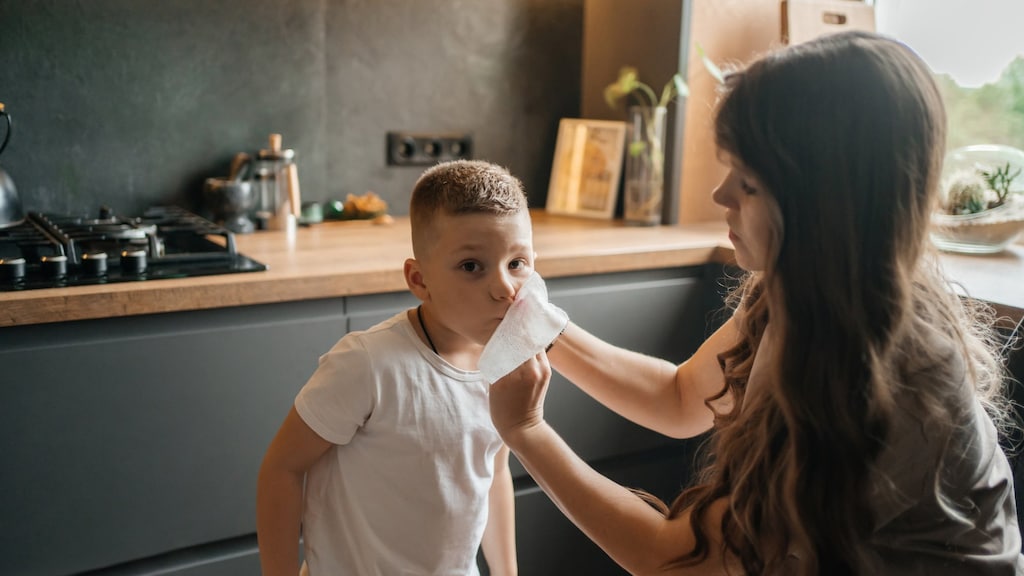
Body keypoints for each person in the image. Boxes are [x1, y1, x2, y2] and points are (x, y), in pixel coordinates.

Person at [488, 31, 1024, 575]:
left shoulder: (876, 372)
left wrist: (526, 431)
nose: (720, 196)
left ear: (820, 204)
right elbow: (677, 398)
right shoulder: (797, 289)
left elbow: (677, 562)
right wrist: (538, 325)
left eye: (747, 182)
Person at [256, 159, 529, 576]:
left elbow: (493, 472)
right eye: (472, 266)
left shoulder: (507, 366)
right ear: (419, 280)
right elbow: (282, 469)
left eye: (517, 263)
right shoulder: (367, 364)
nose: (504, 288)